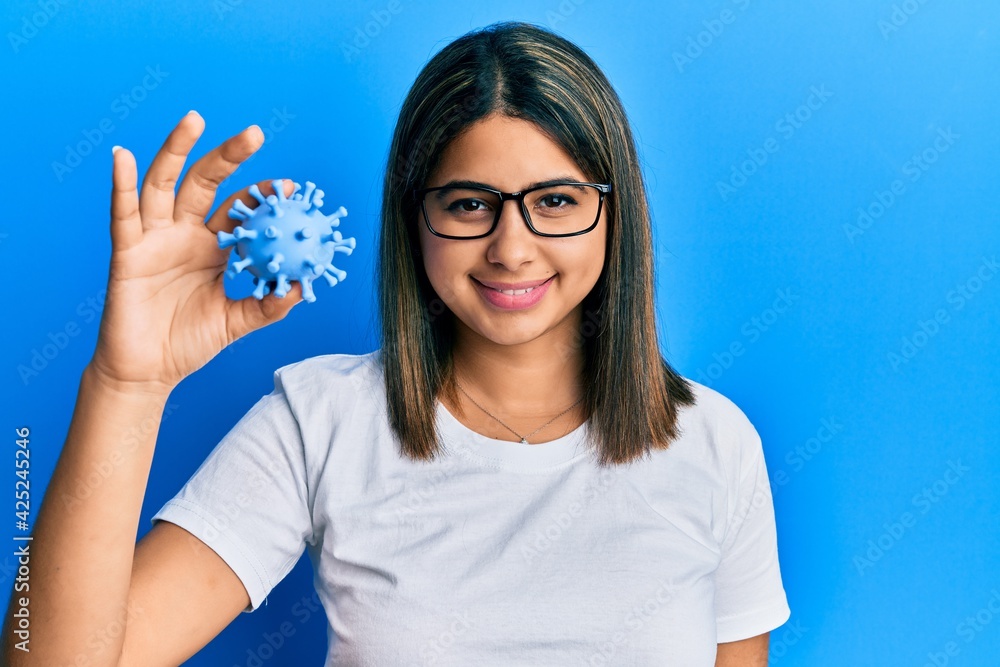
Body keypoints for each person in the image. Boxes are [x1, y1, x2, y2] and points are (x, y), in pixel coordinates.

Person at [1, 20, 790, 667]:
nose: (512, 248)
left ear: (615, 213)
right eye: (470, 202)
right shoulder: (321, 422)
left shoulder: (715, 445)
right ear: (415, 219)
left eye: (555, 200)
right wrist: (125, 385)